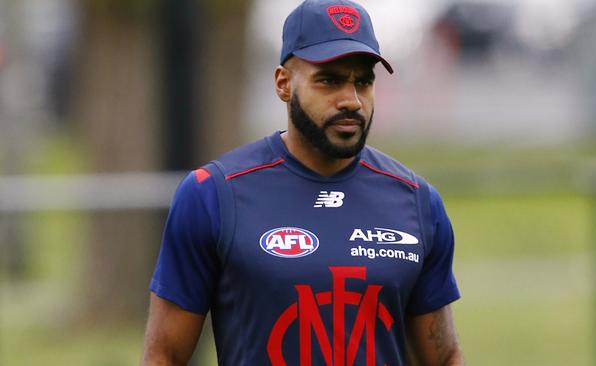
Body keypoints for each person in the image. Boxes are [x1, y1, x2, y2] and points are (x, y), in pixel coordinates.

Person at [141, 0, 463, 365]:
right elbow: (163, 356)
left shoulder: (418, 203)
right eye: (329, 80)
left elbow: (444, 356)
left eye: (363, 81)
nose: (352, 100)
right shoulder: (212, 194)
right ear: (283, 84)